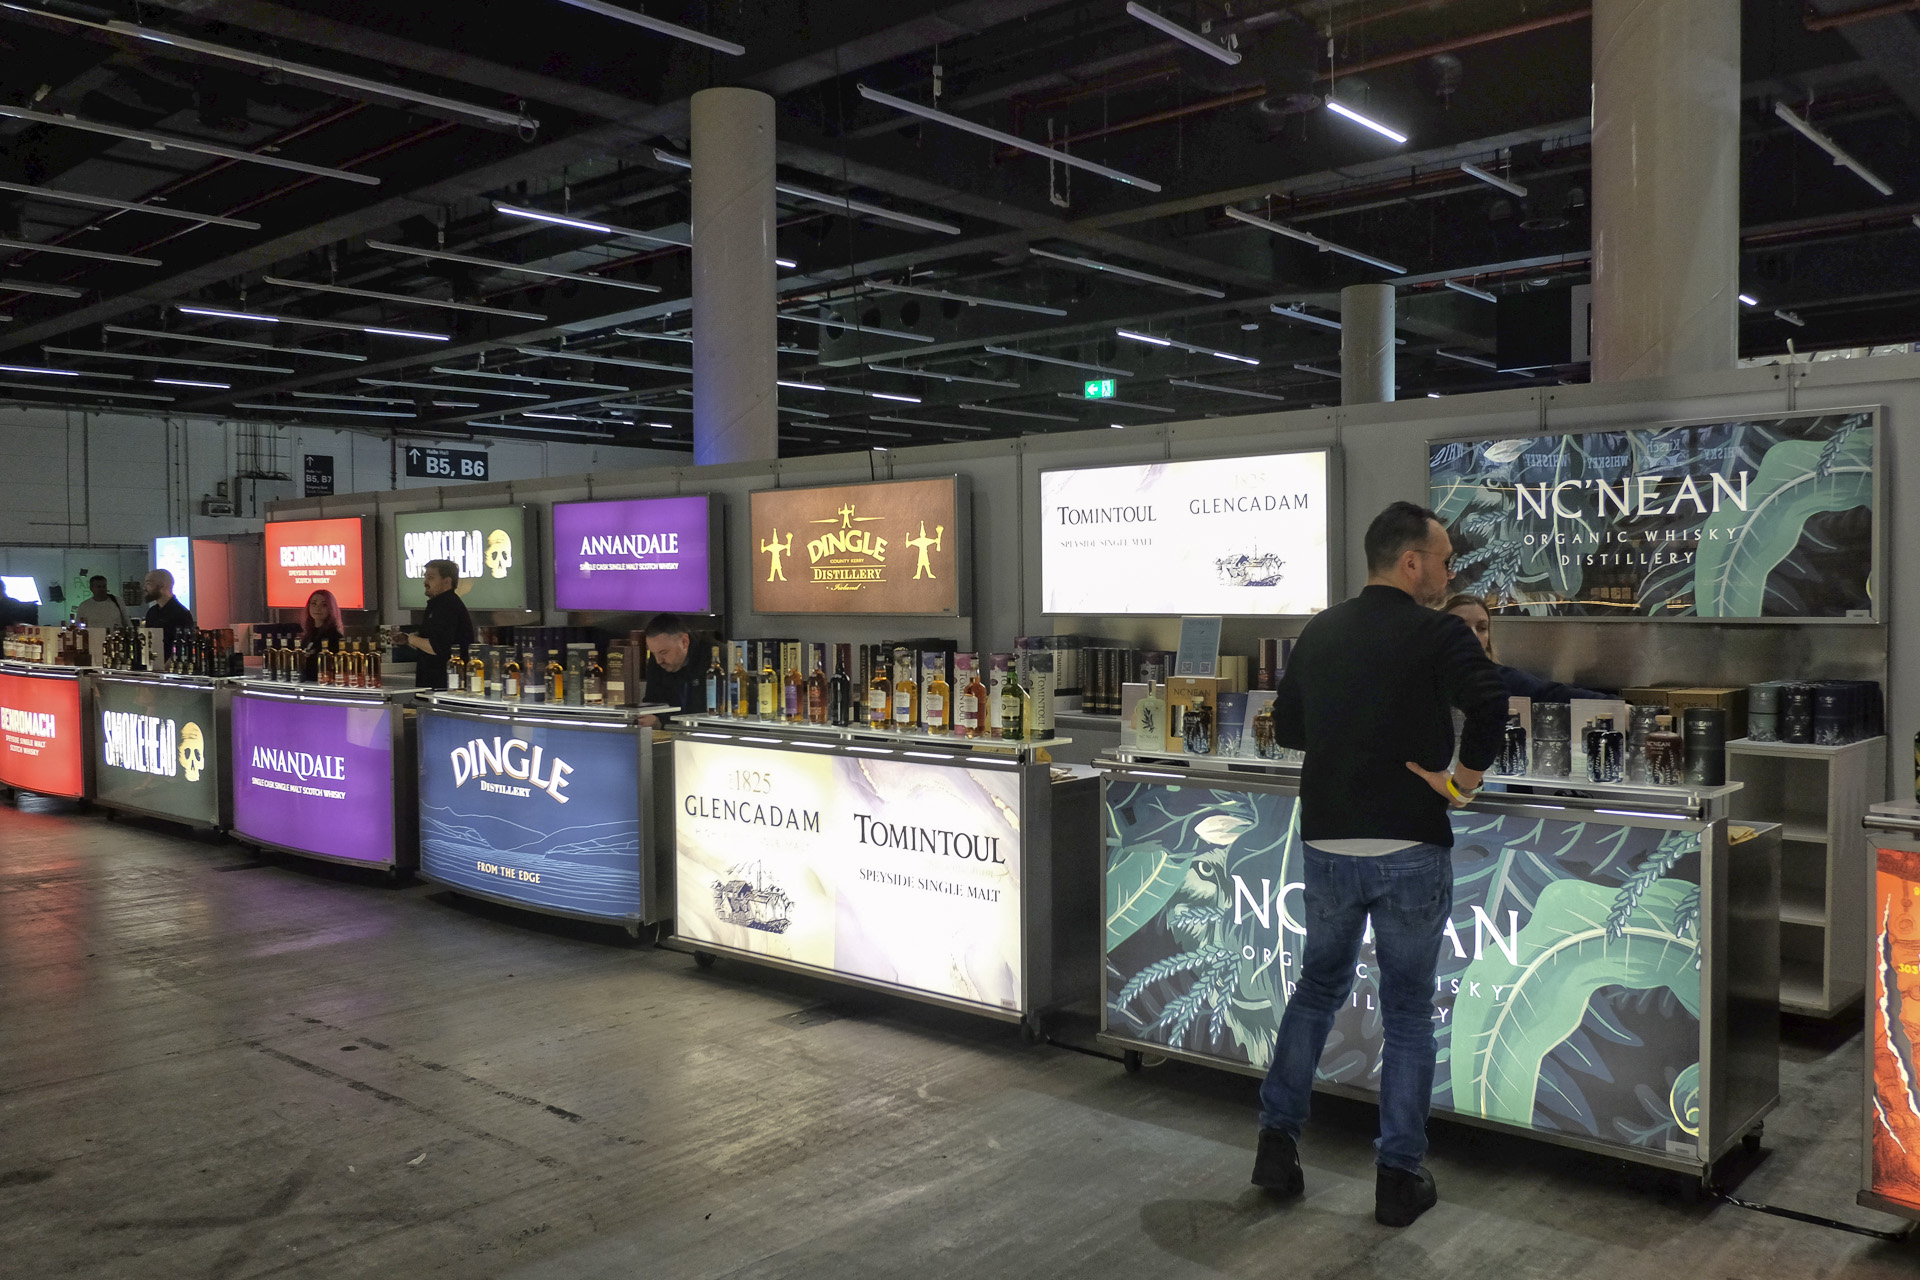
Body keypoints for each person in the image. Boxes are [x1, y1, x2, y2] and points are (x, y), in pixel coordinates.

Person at [1253, 501, 1509, 1228]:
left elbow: (1290, 726)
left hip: (1329, 840)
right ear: (1410, 562)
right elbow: (1490, 700)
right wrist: (1462, 782)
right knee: (1406, 1012)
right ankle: (1397, 1178)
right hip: (1409, 844)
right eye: (1445, 561)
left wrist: (1350, 737)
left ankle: (1276, 1144)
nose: (1449, 574)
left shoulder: (1321, 630)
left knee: (1315, 989)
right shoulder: (1437, 633)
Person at [1443, 594, 1608, 702]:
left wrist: (1615, 705)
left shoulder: (1501, 679)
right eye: (1460, 626)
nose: (1472, 635)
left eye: (1481, 628)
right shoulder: (1428, 678)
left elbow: (1553, 694)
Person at [405, 558, 474, 693]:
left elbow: (437, 647)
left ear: (447, 581)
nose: (425, 582)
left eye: (431, 578)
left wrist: (411, 639)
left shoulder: (447, 606)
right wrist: (411, 640)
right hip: (436, 684)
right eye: (425, 577)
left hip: (443, 687)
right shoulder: (438, 605)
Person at [638, 612, 712, 725]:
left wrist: (662, 722)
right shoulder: (658, 661)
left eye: (664, 652)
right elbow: (652, 703)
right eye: (653, 653)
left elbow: (708, 714)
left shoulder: (715, 659)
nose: (659, 661)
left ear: (684, 642)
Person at [142, 569, 194, 657]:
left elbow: (184, 647)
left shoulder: (181, 614)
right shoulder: (152, 612)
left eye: (148, 583)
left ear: (161, 586)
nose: (145, 588)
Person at [298, 589, 345, 683]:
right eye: (314, 603)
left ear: (331, 609)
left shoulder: (334, 637)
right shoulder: (308, 635)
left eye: (324, 605)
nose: (317, 608)